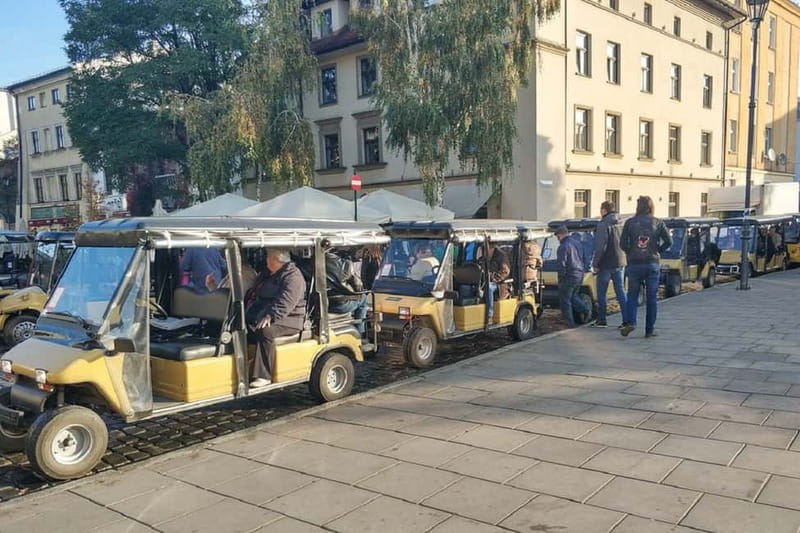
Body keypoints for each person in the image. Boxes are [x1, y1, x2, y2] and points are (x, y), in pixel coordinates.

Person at [245, 249, 307, 388]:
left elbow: (286, 302)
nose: (266, 260)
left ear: (276, 260)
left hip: (289, 319)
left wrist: (271, 315)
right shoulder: (267, 274)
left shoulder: (293, 276)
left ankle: (264, 375)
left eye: (268, 257)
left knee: (265, 331)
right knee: (240, 327)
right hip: (262, 313)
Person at [620, 196, 672, 338]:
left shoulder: (630, 223)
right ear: (651, 206)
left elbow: (622, 243)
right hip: (652, 263)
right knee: (651, 298)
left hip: (634, 263)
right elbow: (669, 241)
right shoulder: (658, 222)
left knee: (632, 295)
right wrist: (657, 251)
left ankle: (631, 321)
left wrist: (630, 252)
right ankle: (649, 330)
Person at [592, 201, 627, 328]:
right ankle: (627, 320)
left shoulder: (603, 224)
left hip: (606, 263)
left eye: (601, 209)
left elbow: (601, 246)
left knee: (601, 293)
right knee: (621, 292)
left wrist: (595, 263)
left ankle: (602, 320)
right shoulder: (622, 223)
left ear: (604, 210)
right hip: (620, 261)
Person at [323, 241, 368, 335]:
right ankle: (360, 333)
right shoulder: (345, 264)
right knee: (363, 297)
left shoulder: (309, 263)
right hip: (339, 304)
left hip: (319, 304)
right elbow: (358, 286)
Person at [555, 226, 591, 328]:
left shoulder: (563, 247)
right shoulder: (577, 243)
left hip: (569, 275)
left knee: (565, 300)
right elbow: (584, 258)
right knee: (573, 296)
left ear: (561, 235)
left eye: (558, 236)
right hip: (579, 273)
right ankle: (586, 310)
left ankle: (570, 324)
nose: (557, 239)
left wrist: (560, 277)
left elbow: (561, 264)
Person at [485, 242, 511, 319]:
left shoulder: (501, 256)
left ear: (491, 247)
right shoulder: (485, 256)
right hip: (484, 280)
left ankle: (489, 313)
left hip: (500, 284)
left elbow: (506, 271)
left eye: (486, 248)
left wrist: (494, 277)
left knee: (489, 288)